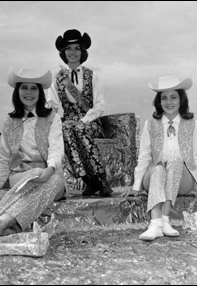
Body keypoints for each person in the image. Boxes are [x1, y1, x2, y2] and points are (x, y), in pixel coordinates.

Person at [0, 67, 66, 247]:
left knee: (55, 181)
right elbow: (4, 157)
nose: (29, 92)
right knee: (33, 173)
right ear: (17, 91)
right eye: (24, 88)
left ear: (40, 92)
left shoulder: (53, 117)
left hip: (49, 174)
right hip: (20, 175)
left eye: (34, 88)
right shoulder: (9, 121)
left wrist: (50, 169)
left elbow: (57, 147)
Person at [121, 75, 197, 241]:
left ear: (181, 99)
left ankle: (164, 219)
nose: (169, 102)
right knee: (159, 168)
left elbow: (193, 158)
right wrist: (137, 186)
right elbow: (144, 155)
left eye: (173, 97)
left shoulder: (192, 124)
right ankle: (156, 224)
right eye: (164, 98)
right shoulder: (151, 123)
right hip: (155, 177)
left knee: (175, 162)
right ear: (158, 101)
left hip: (181, 179)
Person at [49, 28, 113, 197]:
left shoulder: (93, 76)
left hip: (90, 122)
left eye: (77, 48)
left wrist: (83, 121)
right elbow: (53, 105)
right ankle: (88, 181)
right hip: (68, 122)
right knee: (65, 129)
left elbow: (99, 106)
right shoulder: (57, 78)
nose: (72, 52)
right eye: (69, 48)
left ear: (82, 51)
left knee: (77, 129)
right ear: (63, 52)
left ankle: (101, 179)